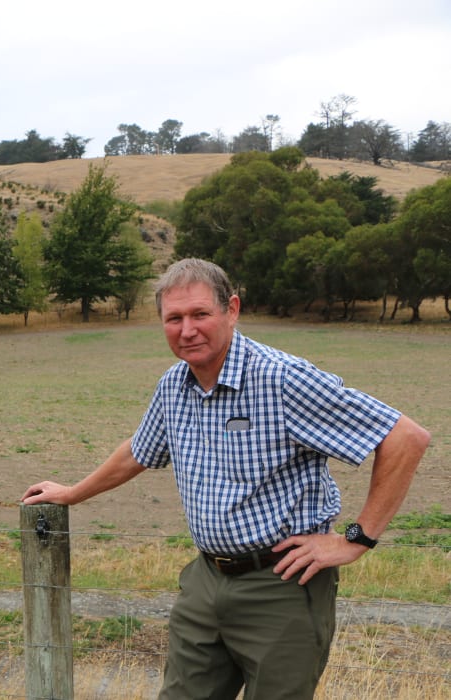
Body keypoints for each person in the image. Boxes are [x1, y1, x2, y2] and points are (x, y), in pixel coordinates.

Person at [21, 258, 430, 699]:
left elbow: (405, 437)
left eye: (201, 314)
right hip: (206, 580)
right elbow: (139, 450)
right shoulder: (175, 385)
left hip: (282, 586)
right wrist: (73, 493)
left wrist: (356, 539)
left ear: (231, 310)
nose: (187, 329)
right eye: (174, 318)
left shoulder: (280, 379)